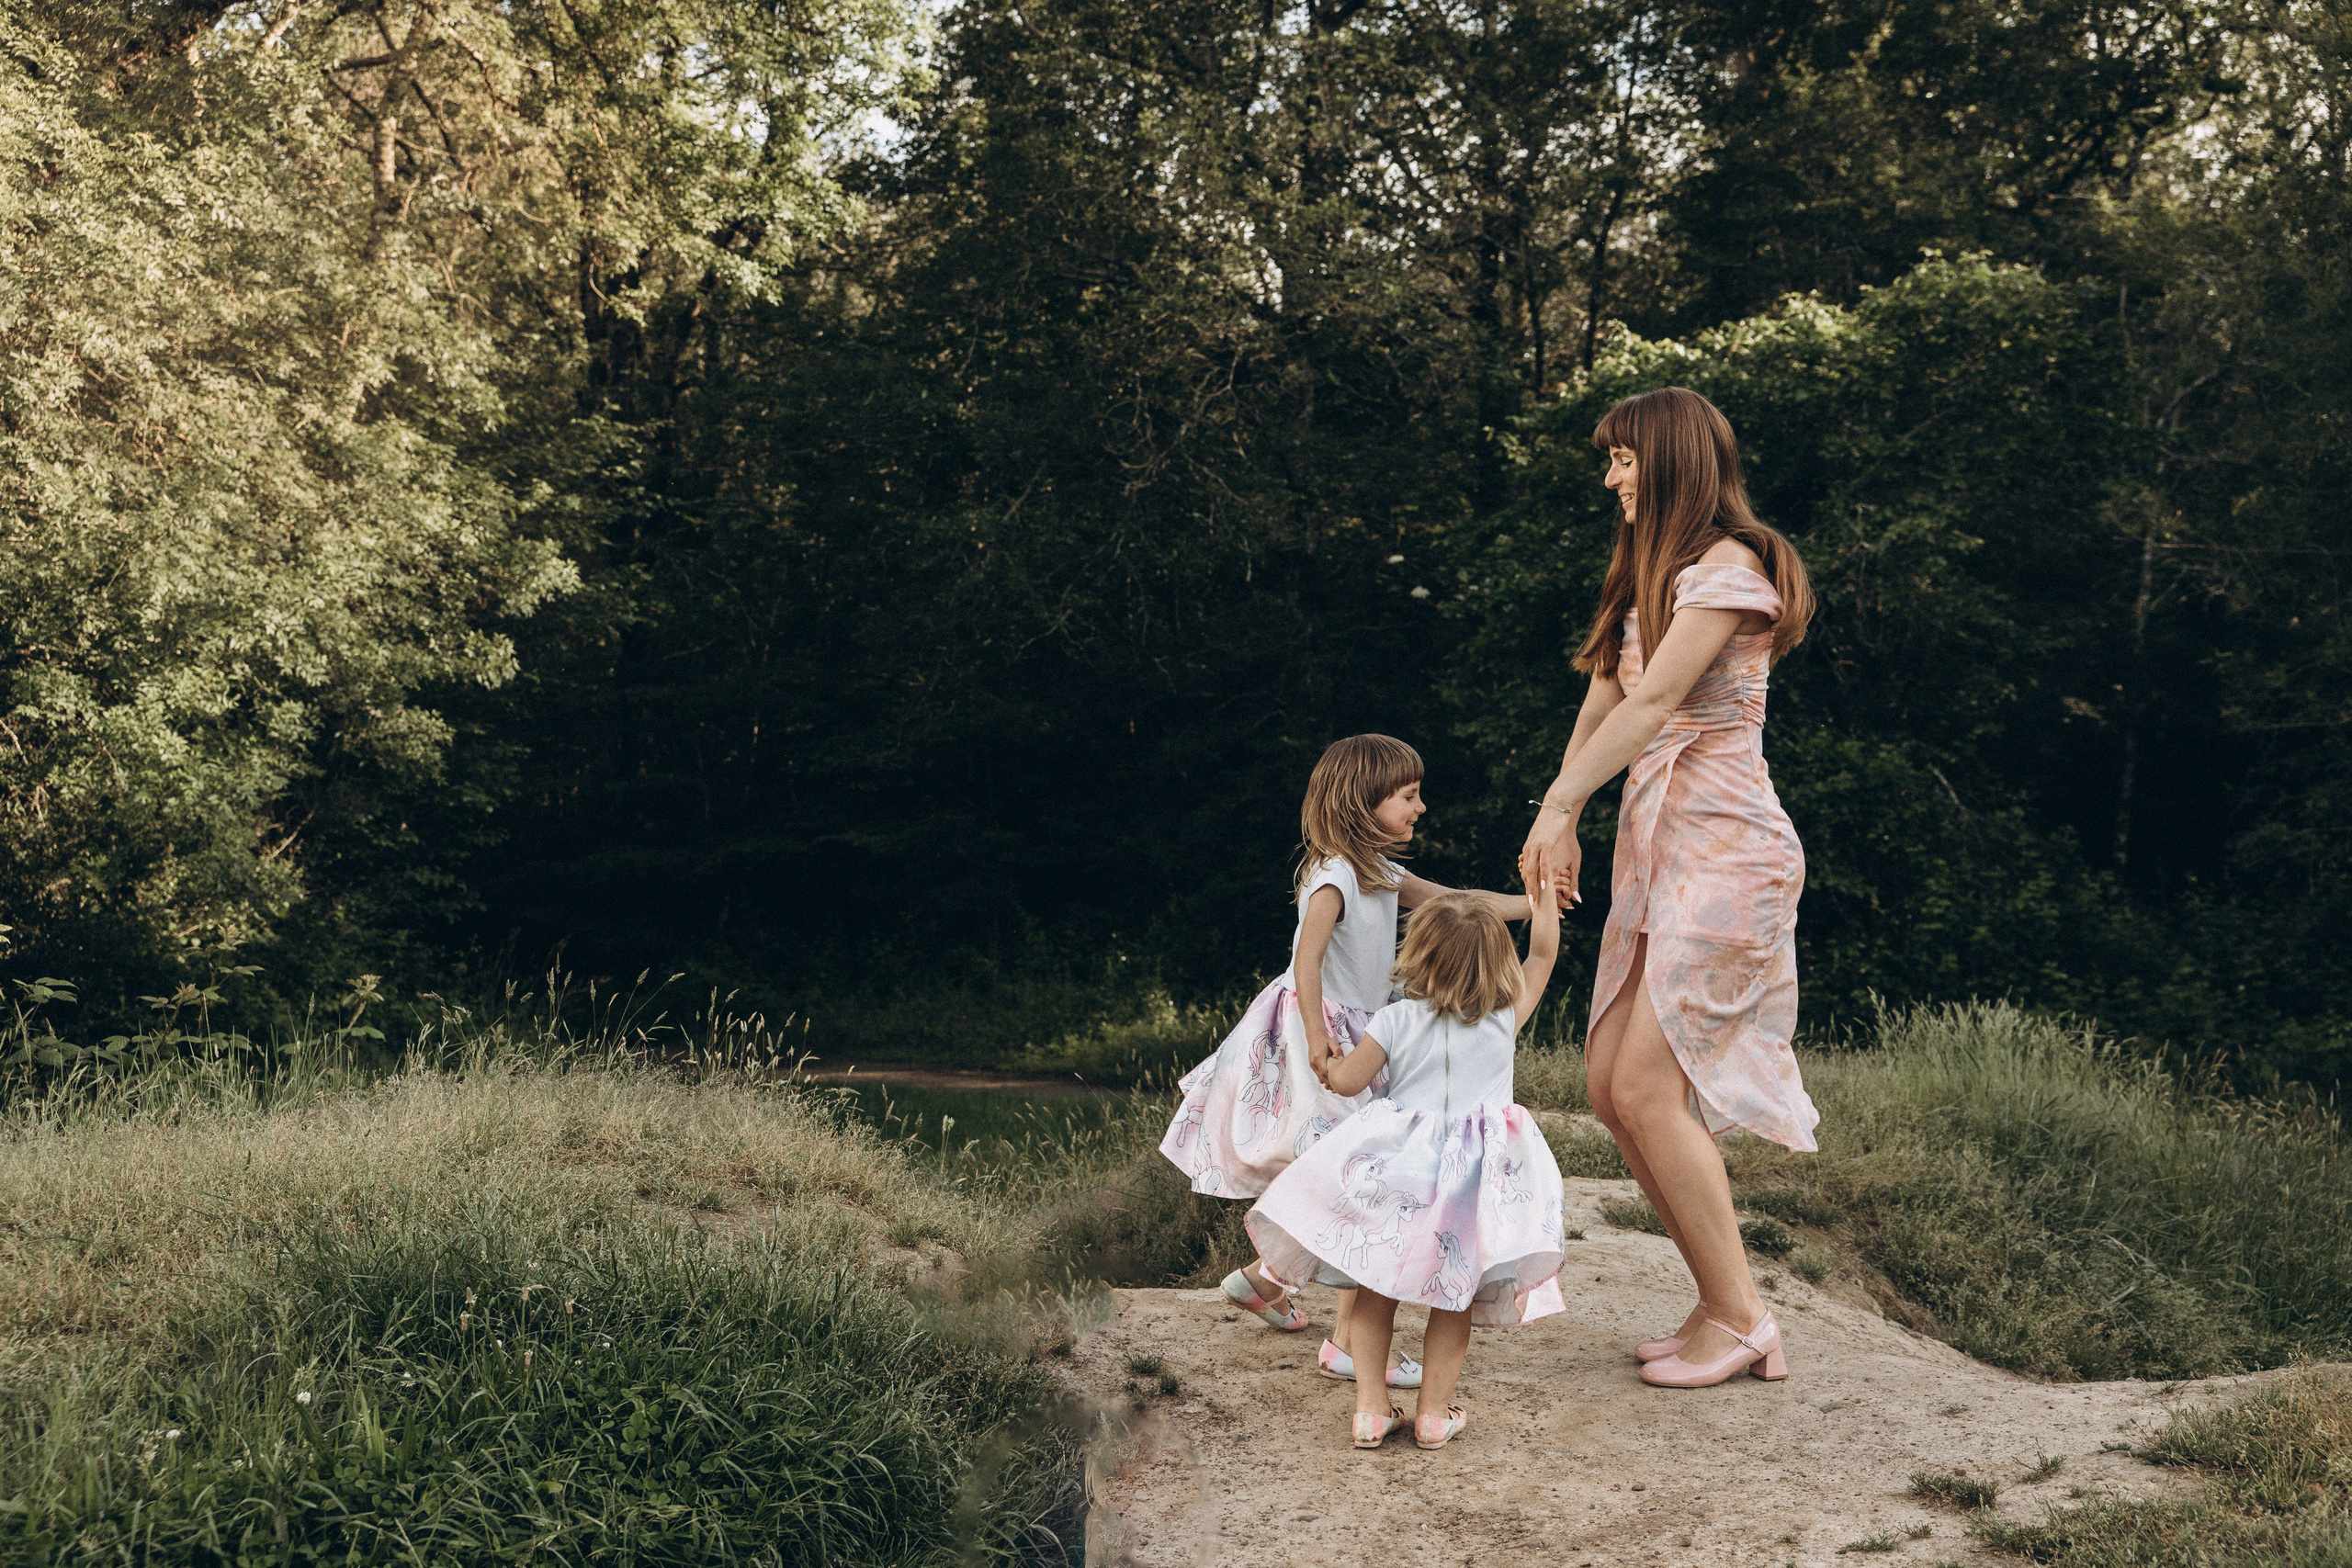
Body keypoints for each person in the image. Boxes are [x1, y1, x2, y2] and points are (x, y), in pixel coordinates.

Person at [1520, 385, 1814, 1389]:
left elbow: (1652, 703)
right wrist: (1554, 814)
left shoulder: (1731, 571)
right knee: (1609, 1080)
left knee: (1647, 1085)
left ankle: (1741, 1321)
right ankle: (1714, 1301)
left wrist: (1562, 810)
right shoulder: (1654, 575)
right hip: (1660, 851)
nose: (1610, 480)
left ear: (1671, 459)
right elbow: (1604, 692)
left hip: (1729, 853)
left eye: (1622, 460)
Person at [1160, 734, 1528, 1391]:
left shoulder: (1379, 870)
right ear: (1364, 801)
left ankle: (1296, 1304)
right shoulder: (1333, 875)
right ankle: (1316, 1315)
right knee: (1360, 1183)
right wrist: (1315, 1038)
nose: (1421, 807)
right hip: (1321, 1035)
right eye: (1408, 796)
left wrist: (1534, 907)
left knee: (1368, 1183)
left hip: (1363, 1031)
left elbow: (1455, 900)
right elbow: (1307, 961)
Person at [1245, 890, 1566, 1450]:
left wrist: (1324, 1060)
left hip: (1401, 1174)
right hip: (1469, 1184)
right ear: (1497, 963)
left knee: (1377, 1289)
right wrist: (1542, 896)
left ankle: (1371, 1410)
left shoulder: (1394, 1020)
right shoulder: (1502, 1020)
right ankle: (1434, 1416)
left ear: (1418, 954)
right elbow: (1542, 956)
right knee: (1455, 1297)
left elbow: (1346, 1082)